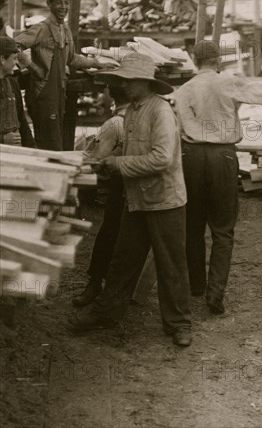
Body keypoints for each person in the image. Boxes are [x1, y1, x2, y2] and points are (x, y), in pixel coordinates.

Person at [68, 54, 192, 347]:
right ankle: (106, 313)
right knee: (123, 261)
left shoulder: (160, 111)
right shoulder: (134, 111)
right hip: (136, 200)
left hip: (165, 201)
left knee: (171, 266)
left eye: (128, 81)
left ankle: (179, 323)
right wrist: (104, 162)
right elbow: (129, 152)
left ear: (144, 83)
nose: (122, 85)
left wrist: (117, 164)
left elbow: (162, 159)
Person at [174, 40, 262, 314]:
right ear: (217, 60)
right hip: (222, 157)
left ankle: (196, 286)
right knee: (223, 229)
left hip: (191, 157)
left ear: (194, 61)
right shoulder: (227, 81)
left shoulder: (184, 90)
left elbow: (180, 124)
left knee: (192, 225)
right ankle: (215, 294)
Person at [15, 0, 118, 151]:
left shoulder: (65, 30)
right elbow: (15, 45)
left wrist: (97, 63)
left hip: (59, 92)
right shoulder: (41, 29)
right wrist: (32, 67)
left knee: (57, 141)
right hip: (42, 94)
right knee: (47, 143)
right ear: (49, 4)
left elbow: (72, 58)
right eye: (58, 3)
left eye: (66, 3)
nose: (63, 7)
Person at [72, 85, 128, 308]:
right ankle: (110, 289)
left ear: (113, 99)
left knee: (110, 233)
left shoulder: (114, 123)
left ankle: (96, 284)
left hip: (123, 184)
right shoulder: (146, 115)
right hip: (141, 184)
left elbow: (93, 158)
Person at [0, 37, 34, 147]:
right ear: (2, 59)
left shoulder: (13, 84)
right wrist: (2, 139)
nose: (16, 63)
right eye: (14, 58)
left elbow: (22, 121)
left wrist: (32, 150)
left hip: (15, 153)